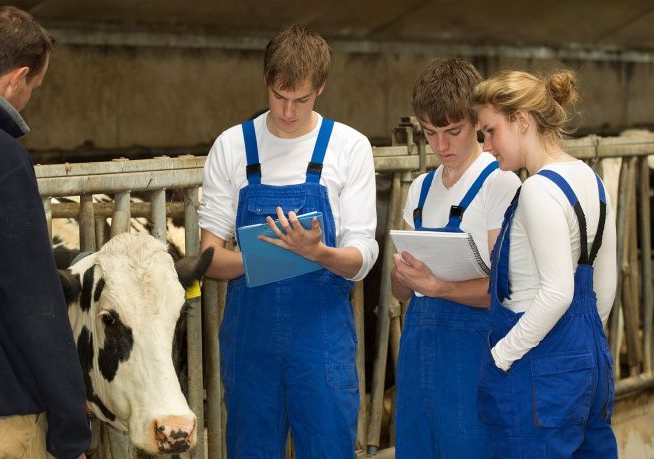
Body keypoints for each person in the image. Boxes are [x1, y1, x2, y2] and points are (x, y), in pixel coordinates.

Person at [198, 24, 378, 458]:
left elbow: (363, 257)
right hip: (251, 345)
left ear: (321, 87)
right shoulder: (232, 146)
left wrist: (317, 253)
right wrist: (264, 256)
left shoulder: (349, 147)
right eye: (280, 97)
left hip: (320, 341)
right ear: (266, 82)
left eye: (302, 99)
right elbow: (208, 255)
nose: (289, 112)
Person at [0, 6, 90, 459]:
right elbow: (33, 303)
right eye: (34, 86)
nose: (29, 96)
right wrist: (71, 430)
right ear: (18, 78)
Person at [473, 69, 617, 457]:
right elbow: (604, 285)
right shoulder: (591, 179)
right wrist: (577, 347)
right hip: (590, 360)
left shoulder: (537, 188)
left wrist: (503, 354)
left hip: (535, 367)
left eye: (490, 131)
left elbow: (556, 293)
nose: (486, 146)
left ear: (521, 120)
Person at [391, 58, 521, 458]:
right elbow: (400, 294)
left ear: (478, 123)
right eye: (430, 133)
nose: (441, 146)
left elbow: (506, 290)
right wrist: (404, 275)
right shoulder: (419, 190)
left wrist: (437, 285)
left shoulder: (501, 183)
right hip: (417, 356)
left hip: (475, 359)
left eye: (453, 131)